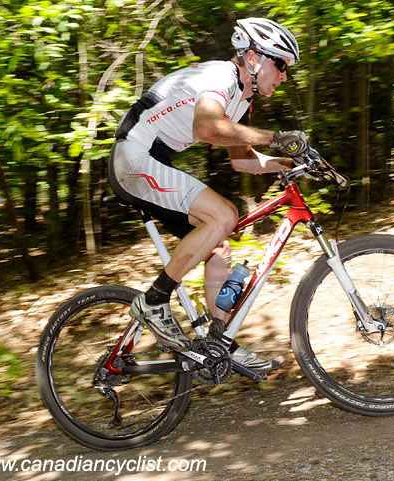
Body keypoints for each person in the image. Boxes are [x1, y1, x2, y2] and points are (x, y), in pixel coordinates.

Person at [108, 17, 308, 374]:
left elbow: (242, 162)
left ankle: (219, 344)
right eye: (280, 65)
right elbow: (206, 128)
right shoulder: (219, 78)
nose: (284, 76)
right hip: (133, 157)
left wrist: (287, 161)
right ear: (254, 58)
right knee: (224, 214)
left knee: (218, 247)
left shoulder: (241, 100)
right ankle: (154, 300)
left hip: (150, 161)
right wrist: (275, 137)